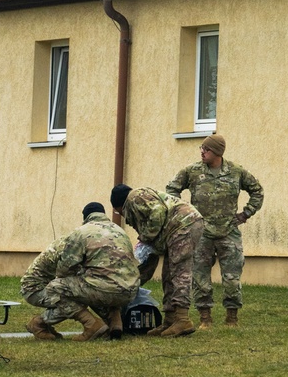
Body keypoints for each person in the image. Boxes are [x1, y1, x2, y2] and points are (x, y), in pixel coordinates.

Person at [165, 134, 263, 328]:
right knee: (200, 277)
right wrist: (184, 213)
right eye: (201, 148)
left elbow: (257, 191)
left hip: (228, 231)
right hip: (201, 232)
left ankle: (231, 317)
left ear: (217, 152)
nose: (202, 152)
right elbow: (171, 189)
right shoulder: (191, 171)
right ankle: (205, 318)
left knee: (232, 278)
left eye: (206, 149)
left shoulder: (236, 172)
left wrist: (245, 214)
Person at [21, 202, 139, 343]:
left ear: (86, 218)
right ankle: (115, 325)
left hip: (104, 288)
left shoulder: (81, 233)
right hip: (130, 291)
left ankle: (88, 325)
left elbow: (64, 270)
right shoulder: (119, 231)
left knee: (59, 288)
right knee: (96, 285)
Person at [111, 183, 203, 338]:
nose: (123, 217)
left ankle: (182, 319)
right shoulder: (139, 197)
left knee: (180, 272)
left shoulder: (134, 198)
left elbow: (158, 211)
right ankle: (170, 320)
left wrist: (147, 236)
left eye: (119, 212)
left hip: (183, 224)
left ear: (120, 205)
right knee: (168, 274)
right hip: (177, 228)